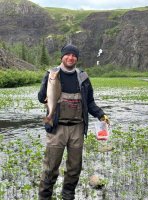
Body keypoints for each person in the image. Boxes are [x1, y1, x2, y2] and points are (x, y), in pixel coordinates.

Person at [38, 44, 109, 200]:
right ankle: (44, 197)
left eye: (74, 55)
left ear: (77, 58)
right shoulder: (51, 74)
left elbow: (90, 102)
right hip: (57, 128)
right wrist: (46, 87)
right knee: (50, 167)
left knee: (74, 168)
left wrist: (101, 115)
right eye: (67, 55)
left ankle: (68, 195)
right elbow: (40, 97)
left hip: (77, 127)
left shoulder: (83, 77)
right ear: (61, 57)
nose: (70, 58)